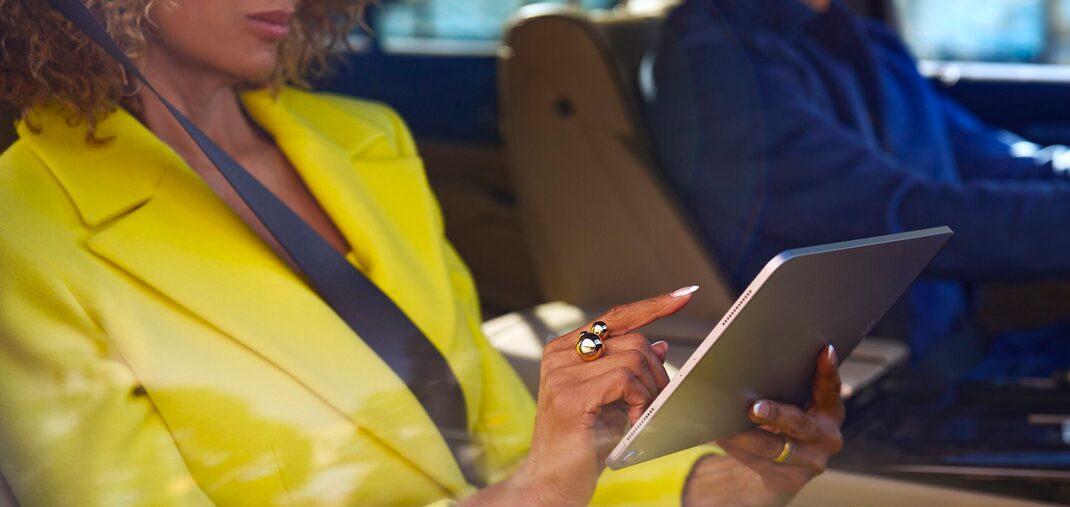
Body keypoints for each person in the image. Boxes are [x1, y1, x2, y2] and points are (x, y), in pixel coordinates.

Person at [0, 1, 845, 505]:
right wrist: (533, 492)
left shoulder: (371, 143)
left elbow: (500, 442)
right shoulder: (27, 225)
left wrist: (723, 485)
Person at [643, 0, 1070, 380]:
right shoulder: (716, 60)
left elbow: (1012, 167)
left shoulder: (863, 41)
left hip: (974, 353)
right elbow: (899, 221)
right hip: (887, 402)